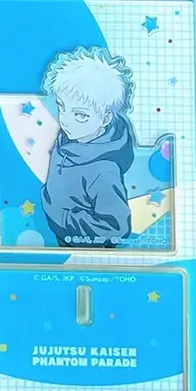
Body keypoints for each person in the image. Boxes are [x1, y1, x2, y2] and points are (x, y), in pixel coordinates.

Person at [40, 47, 136, 248]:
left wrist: (65, 219)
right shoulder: (67, 138)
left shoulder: (103, 172)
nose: (65, 120)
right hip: (58, 237)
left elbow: (116, 228)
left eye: (80, 115)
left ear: (105, 118)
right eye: (61, 107)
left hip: (83, 250)